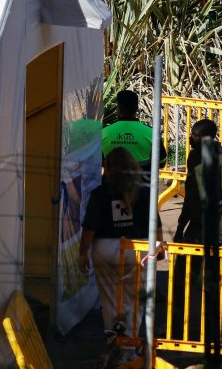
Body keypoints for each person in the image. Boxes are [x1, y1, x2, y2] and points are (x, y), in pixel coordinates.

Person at [80, 147, 163, 362]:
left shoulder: (100, 193)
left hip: (105, 248)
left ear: (107, 168)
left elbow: (89, 227)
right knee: (135, 301)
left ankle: (114, 346)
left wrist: (83, 253)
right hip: (138, 249)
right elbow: (157, 226)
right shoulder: (145, 191)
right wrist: (159, 248)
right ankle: (130, 349)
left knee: (109, 301)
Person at [174, 119, 222, 245]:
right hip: (195, 226)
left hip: (214, 228)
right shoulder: (194, 157)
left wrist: (221, 235)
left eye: (195, 136)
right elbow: (189, 195)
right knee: (184, 263)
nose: (191, 139)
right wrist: (181, 226)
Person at [102, 89, 166, 174]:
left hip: (111, 185)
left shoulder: (103, 133)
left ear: (119, 109)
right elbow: (161, 163)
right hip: (142, 185)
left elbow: (96, 162)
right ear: (136, 108)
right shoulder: (151, 133)